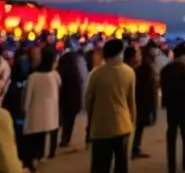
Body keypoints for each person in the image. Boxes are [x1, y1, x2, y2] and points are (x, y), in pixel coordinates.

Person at [84, 38, 137, 173]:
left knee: (100, 165)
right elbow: (131, 101)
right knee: (121, 164)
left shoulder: (97, 73)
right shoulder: (129, 72)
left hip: (101, 127)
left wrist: (90, 118)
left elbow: (88, 101)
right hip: (123, 125)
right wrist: (132, 121)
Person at [23, 46, 61, 171]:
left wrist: (25, 108)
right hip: (49, 110)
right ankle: (40, 155)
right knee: (42, 135)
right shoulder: (54, 75)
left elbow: (28, 96)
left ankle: (33, 158)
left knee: (34, 136)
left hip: (35, 110)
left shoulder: (33, 77)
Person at [160, 44, 185, 173]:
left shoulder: (166, 69)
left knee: (172, 133)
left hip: (172, 104)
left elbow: (162, 86)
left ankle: (172, 165)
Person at [57, 39, 86, 148]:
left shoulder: (63, 65)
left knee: (65, 117)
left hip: (65, 95)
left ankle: (65, 137)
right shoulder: (77, 69)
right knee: (70, 118)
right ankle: (66, 137)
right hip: (74, 95)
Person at [131, 44, 159, 160]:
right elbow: (151, 90)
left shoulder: (139, 69)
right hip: (141, 103)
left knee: (137, 128)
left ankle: (134, 148)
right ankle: (134, 149)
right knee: (137, 128)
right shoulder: (146, 69)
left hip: (138, 102)